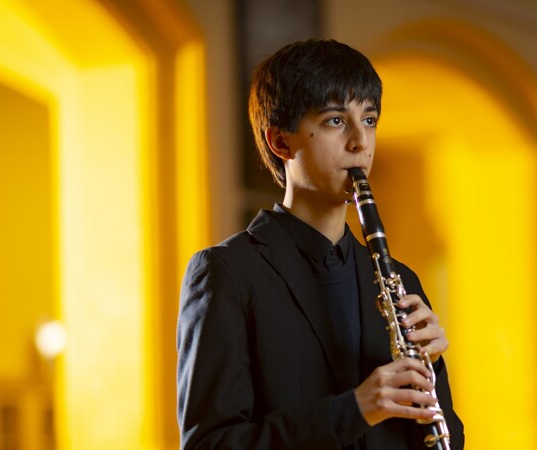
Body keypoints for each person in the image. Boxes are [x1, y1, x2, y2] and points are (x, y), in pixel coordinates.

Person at [176, 38, 464, 449]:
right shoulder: (227, 274)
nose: (360, 142)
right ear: (280, 142)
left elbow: (448, 441)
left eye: (369, 120)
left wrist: (430, 368)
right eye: (334, 120)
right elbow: (211, 444)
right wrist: (354, 410)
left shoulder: (401, 280)